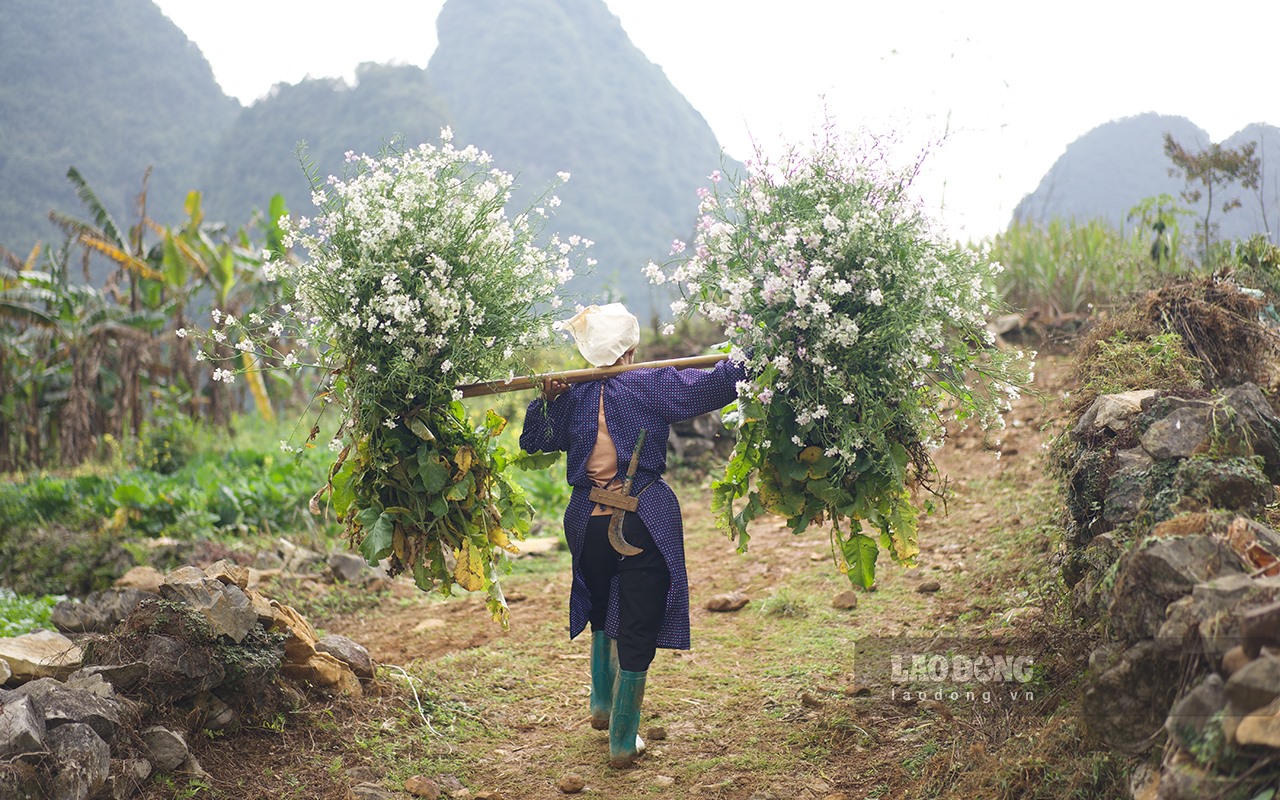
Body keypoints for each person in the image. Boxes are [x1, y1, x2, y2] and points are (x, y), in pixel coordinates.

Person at [519, 303, 745, 768]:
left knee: (602, 602)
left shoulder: (575, 395)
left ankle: (602, 704)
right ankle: (622, 739)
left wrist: (548, 399)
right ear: (631, 347)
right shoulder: (651, 382)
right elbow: (719, 384)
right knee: (639, 616)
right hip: (641, 515)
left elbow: (534, 437)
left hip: (586, 520)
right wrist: (753, 353)